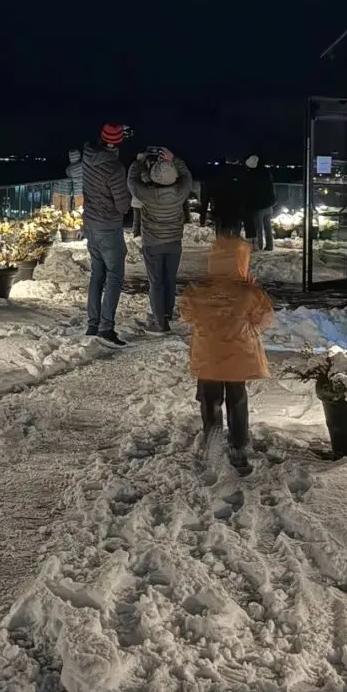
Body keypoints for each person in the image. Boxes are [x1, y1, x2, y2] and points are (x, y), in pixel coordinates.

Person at [178, 219, 273, 473]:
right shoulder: (248, 294)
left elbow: (186, 314)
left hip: (208, 357)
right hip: (238, 359)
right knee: (237, 399)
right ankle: (238, 444)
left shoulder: (198, 291)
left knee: (209, 399)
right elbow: (263, 319)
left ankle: (212, 438)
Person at [127, 147, 192, 332]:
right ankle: (166, 314)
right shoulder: (180, 192)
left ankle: (159, 323)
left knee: (156, 282)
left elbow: (132, 181)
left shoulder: (147, 194)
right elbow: (187, 176)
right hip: (174, 243)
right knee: (169, 279)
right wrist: (174, 159)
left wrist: (139, 161)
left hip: (153, 243)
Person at [81, 122, 133, 345]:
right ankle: (106, 327)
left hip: (90, 222)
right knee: (114, 275)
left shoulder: (87, 157)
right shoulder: (115, 169)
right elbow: (122, 205)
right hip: (108, 226)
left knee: (97, 273)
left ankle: (93, 324)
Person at [242, 153, 276, 252]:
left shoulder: (251, 175)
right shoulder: (266, 173)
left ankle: (259, 245)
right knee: (268, 226)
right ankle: (270, 245)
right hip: (269, 204)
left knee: (258, 227)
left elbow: (250, 191)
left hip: (259, 206)